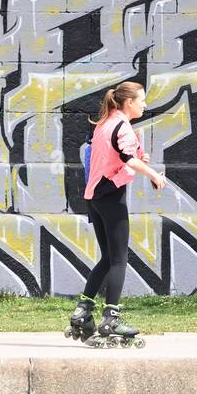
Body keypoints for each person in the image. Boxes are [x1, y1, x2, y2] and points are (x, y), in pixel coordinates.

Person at [67, 81, 166, 345]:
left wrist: (135, 161)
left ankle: (83, 310)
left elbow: (111, 156)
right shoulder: (121, 126)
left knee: (109, 257)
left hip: (94, 197)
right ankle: (111, 318)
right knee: (120, 259)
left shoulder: (104, 123)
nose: (145, 104)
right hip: (111, 197)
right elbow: (127, 159)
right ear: (129, 102)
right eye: (142, 100)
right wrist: (155, 175)